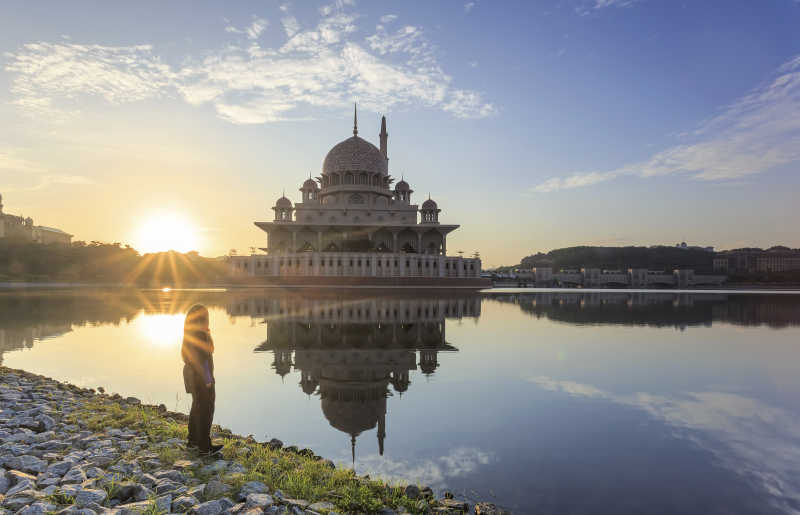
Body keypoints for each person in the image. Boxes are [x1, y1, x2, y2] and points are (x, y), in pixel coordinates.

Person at [181, 304, 222, 454]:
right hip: (201, 376)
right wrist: (208, 379)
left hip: (191, 374)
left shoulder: (189, 333)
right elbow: (203, 358)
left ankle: (192, 441)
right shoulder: (200, 334)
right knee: (206, 408)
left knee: (197, 407)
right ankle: (204, 446)